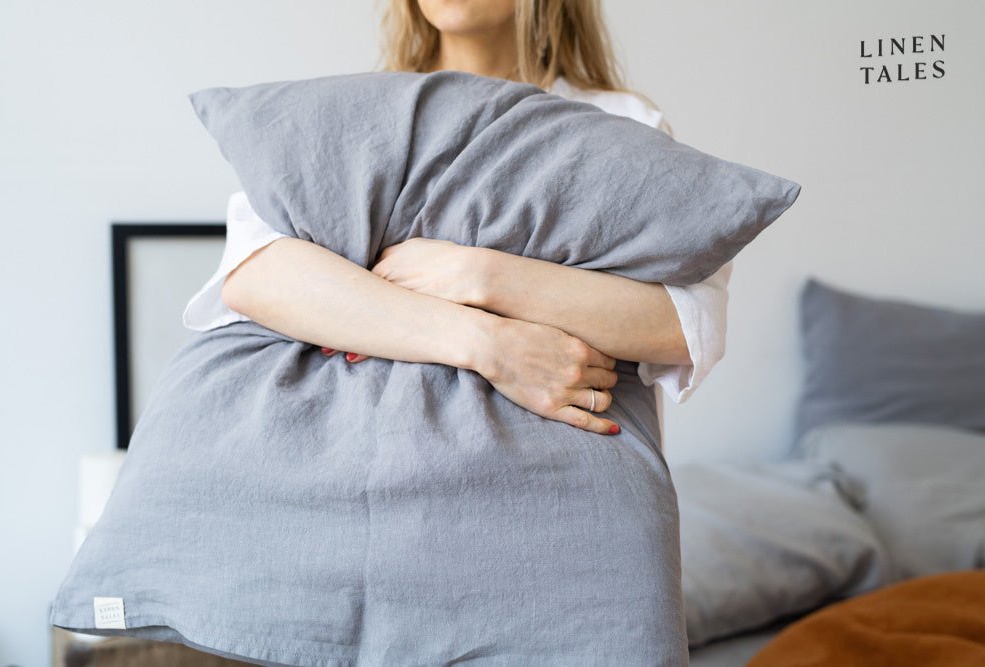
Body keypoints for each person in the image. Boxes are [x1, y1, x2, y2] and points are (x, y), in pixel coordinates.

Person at [183, 0, 733, 445]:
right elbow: (257, 273)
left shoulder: (623, 123)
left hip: (560, 483)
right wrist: (490, 342)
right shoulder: (353, 112)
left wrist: (473, 274)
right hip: (365, 460)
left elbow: (682, 326)